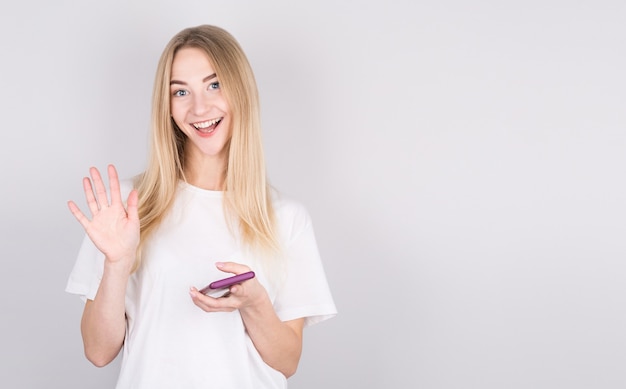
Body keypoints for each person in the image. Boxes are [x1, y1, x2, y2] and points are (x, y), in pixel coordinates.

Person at [65, 24, 337, 388]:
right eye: (181, 91)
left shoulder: (286, 218)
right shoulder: (128, 208)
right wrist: (116, 265)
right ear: (168, 106)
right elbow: (98, 352)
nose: (199, 107)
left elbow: (287, 361)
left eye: (214, 84)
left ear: (240, 90)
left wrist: (254, 304)